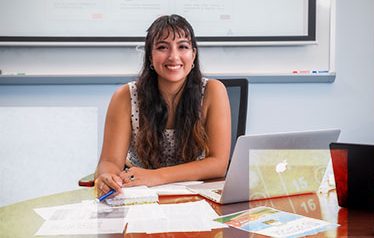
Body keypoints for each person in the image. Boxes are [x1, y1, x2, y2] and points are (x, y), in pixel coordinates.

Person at [94, 14, 231, 198]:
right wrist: (106, 176)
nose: (173, 56)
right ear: (150, 56)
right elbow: (110, 162)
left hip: (197, 197)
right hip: (141, 197)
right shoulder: (125, 96)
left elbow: (219, 164)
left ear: (193, 54)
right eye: (162, 47)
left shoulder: (213, 90)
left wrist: (157, 176)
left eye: (182, 46)